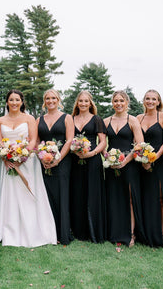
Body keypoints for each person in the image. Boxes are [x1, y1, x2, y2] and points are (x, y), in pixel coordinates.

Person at [0, 89, 57, 247]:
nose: (14, 103)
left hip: (27, 162)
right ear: (7, 102)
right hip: (7, 163)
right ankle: (10, 231)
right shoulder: (0, 120)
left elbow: (33, 141)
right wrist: (6, 157)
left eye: (17, 100)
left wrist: (21, 157)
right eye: (11, 100)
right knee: (11, 197)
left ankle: (33, 231)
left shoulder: (29, 118)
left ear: (22, 102)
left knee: (27, 196)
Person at [103, 90, 144, 247]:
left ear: (127, 103)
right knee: (113, 197)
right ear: (112, 103)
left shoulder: (132, 120)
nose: (118, 103)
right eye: (115, 101)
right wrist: (108, 158)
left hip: (129, 164)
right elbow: (102, 143)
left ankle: (131, 234)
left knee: (129, 199)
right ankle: (113, 233)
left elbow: (139, 144)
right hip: (111, 165)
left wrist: (125, 161)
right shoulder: (106, 121)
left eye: (121, 101)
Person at [136, 90, 163, 248]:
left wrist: (153, 158)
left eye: (154, 99)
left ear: (158, 102)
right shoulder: (138, 118)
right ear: (143, 100)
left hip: (159, 162)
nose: (150, 101)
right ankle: (145, 234)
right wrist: (143, 159)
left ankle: (162, 235)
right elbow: (137, 142)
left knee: (160, 198)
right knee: (146, 197)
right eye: (147, 98)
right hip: (142, 163)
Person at [37, 89, 74, 245]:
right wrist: (43, 158)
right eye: (47, 98)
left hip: (62, 162)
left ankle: (63, 233)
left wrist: (57, 159)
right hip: (44, 162)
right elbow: (37, 141)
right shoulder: (39, 119)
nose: (51, 101)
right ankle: (48, 234)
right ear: (44, 101)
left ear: (59, 100)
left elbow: (69, 140)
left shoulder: (67, 118)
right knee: (46, 196)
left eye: (53, 98)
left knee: (61, 196)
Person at [70, 90, 107, 243]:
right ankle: (78, 231)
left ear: (90, 103)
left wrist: (91, 154)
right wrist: (76, 151)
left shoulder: (97, 119)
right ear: (77, 103)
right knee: (77, 194)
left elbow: (103, 142)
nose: (83, 104)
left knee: (93, 194)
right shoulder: (71, 119)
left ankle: (94, 231)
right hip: (75, 160)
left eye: (86, 101)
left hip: (93, 161)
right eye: (81, 101)